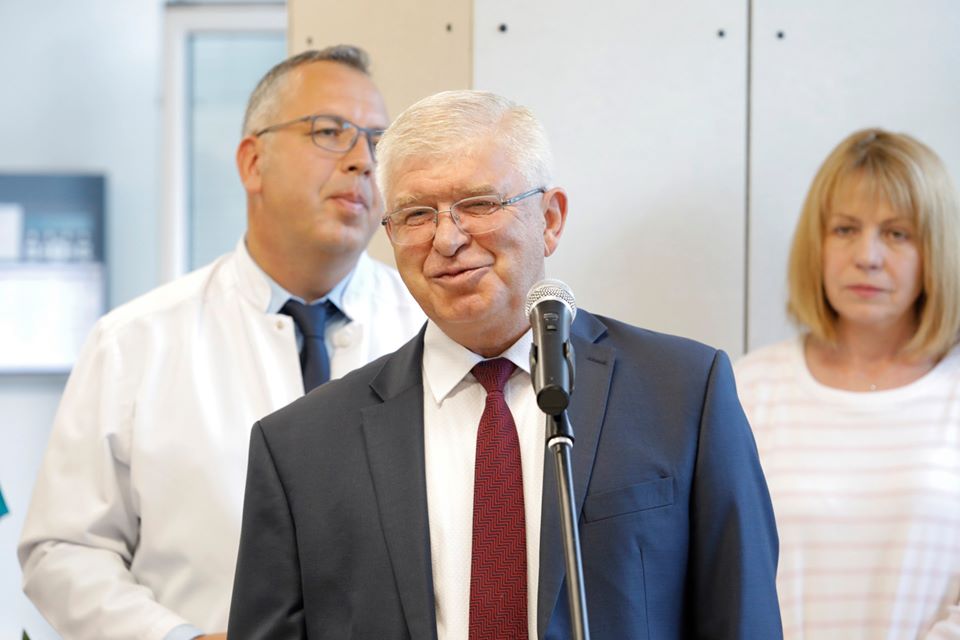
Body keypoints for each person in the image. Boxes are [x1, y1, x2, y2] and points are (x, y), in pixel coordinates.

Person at [227, 89, 782, 639]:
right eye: (416, 215)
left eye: (478, 204)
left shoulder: (682, 394)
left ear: (551, 219)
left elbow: (743, 619)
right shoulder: (302, 448)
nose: (447, 239)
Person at [18, 45, 425, 640]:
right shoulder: (136, 342)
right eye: (330, 131)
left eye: (376, 142)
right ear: (253, 162)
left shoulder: (429, 331)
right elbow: (64, 549)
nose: (363, 161)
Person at [735, 128, 960, 638]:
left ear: (937, 248)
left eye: (897, 234)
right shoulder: (748, 389)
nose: (868, 256)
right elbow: (718, 576)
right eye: (845, 229)